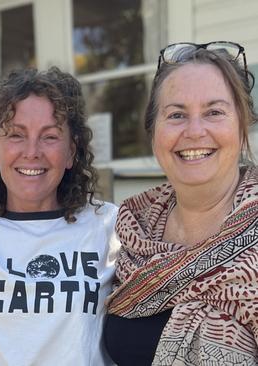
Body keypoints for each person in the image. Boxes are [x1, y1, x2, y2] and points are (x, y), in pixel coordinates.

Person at [0, 67, 119, 365]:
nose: (31, 152)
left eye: (49, 137)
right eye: (16, 135)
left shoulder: (108, 226)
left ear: (72, 153)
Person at [104, 41, 258, 365]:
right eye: (176, 115)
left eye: (214, 112)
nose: (195, 131)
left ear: (242, 127)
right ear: (154, 133)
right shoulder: (132, 230)